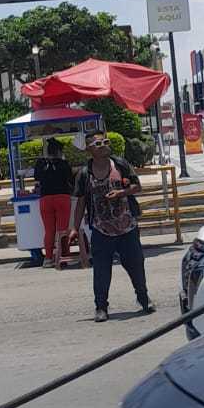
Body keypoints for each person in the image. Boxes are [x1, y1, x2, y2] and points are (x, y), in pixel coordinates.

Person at [74, 133, 155, 322]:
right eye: (98, 143)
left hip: (127, 227)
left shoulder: (120, 165)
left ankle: (143, 298)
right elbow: (80, 202)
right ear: (89, 149)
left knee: (136, 265)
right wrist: (74, 228)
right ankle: (101, 307)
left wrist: (121, 193)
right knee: (101, 270)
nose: (103, 145)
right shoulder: (84, 173)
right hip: (101, 230)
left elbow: (137, 187)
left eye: (106, 142)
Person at [33, 138, 73, 268]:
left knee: (49, 230)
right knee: (63, 230)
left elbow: (37, 178)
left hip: (45, 199)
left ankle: (48, 258)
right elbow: (70, 179)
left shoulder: (40, 163)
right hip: (62, 197)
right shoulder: (64, 163)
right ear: (59, 151)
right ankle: (64, 256)